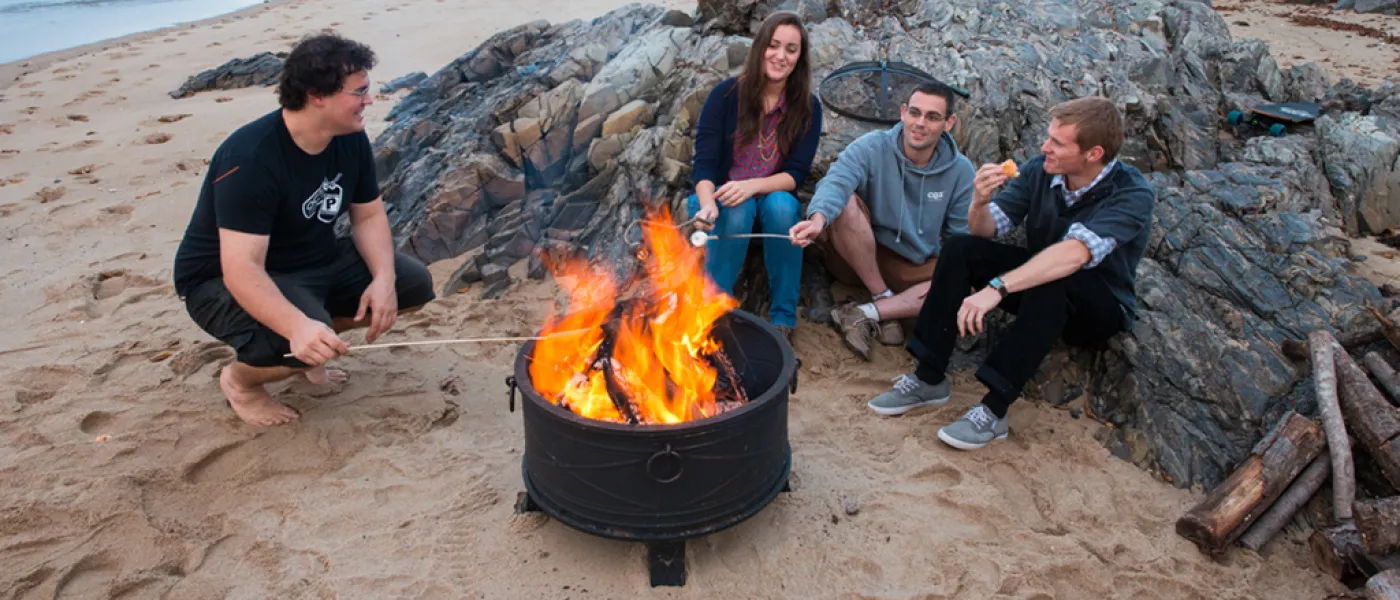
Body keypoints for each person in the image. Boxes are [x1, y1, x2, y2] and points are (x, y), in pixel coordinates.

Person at [172, 34, 435, 427]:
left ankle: (315, 337)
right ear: (316, 95)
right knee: (290, 343)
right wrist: (298, 327)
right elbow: (242, 268)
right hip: (222, 281)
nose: (369, 100)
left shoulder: (349, 138)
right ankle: (241, 382)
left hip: (312, 260)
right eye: (358, 92)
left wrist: (382, 279)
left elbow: (368, 216)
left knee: (411, 285)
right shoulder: (250, 158)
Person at [866, 97, 1155, 450]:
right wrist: (979, 201)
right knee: (960, 248)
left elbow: (1073, 255)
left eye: (1057, 143)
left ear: (1093, 154)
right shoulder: (1040, 170)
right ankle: (928, 377)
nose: (1044, 147)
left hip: (1097, 306)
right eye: (1048, 137)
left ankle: (994, 410)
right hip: (1037, 285)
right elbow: (987, 231)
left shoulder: (1131, 193)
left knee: (1056, 277)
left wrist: (997, 288)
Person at [789, 82, 974, 360]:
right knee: (846, 203)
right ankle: (881, 296)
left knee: (969, 281)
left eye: (932, 117)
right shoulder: (872, 146)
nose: (920, 123)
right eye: (915, 113)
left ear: (949, 123)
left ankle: (865, 313)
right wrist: (817, 220)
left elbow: (962, 239)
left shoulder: (961, 171)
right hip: (859, 255)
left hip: (913, 265)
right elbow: (836, 181)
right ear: (903, 113)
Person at [689, 11, 822, 342]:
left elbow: (795, 174)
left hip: (768, 193)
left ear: (799, 58)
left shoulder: (807, 107)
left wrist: (752, 186)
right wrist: (707, 206)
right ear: (760, 46)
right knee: (736, 207)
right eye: (774, 45)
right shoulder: (724, 96)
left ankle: (782, 320)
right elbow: (703, 168)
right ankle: (712, 312)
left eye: (791, 49)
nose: (780, 56)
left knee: (782, 207)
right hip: (720, 196)